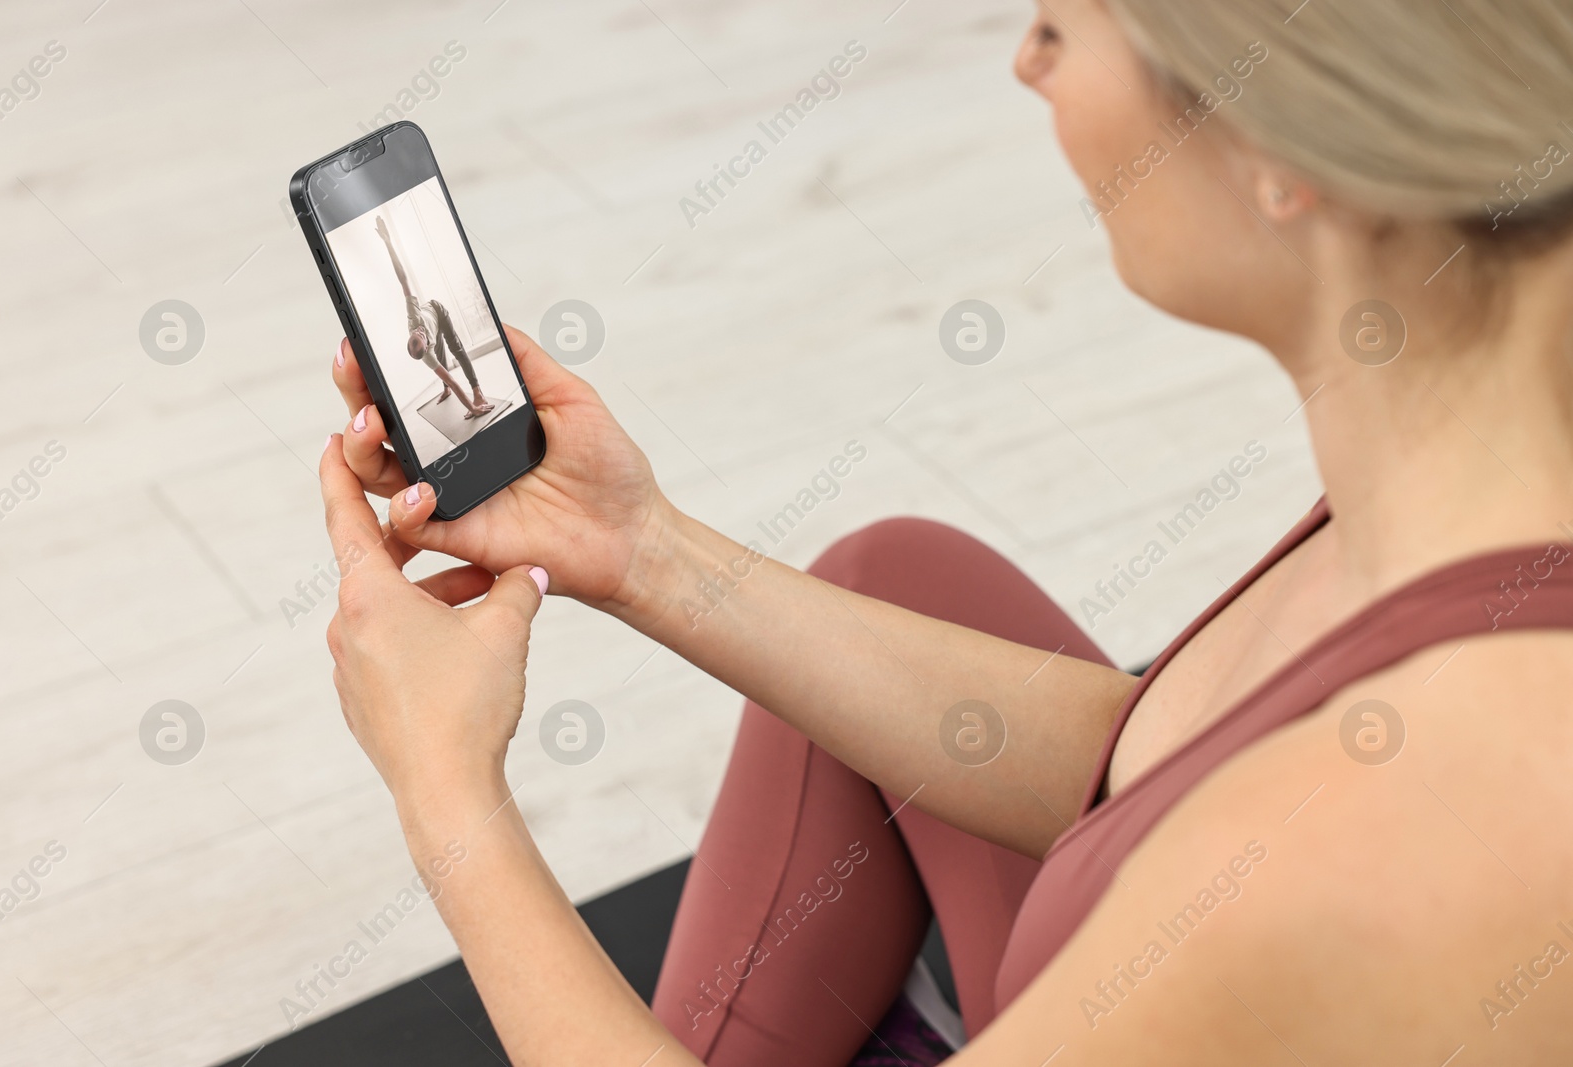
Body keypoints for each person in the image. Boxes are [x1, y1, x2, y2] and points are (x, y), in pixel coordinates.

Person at [319, 1, 1573, 1063]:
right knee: (900, 571)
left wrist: (444, 788)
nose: (1025, 62)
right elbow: (1141, 755)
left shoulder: (1373, 832)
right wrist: (642, 549)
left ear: (1274, 147)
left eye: (1057, 26)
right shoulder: (1490, 463)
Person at [374, 215, 494, 420]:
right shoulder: (428, 355)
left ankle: (477, 392)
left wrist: (388, 243)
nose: (417, 330)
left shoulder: (413, 318)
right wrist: (471, 410)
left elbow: (402, 278)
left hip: (437, 311)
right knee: (442, 362)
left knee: (455, 348)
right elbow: (454, 380)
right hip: (434, 331)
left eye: (417, 333)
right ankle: (445, 390)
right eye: (419, 334)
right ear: (425, 346)